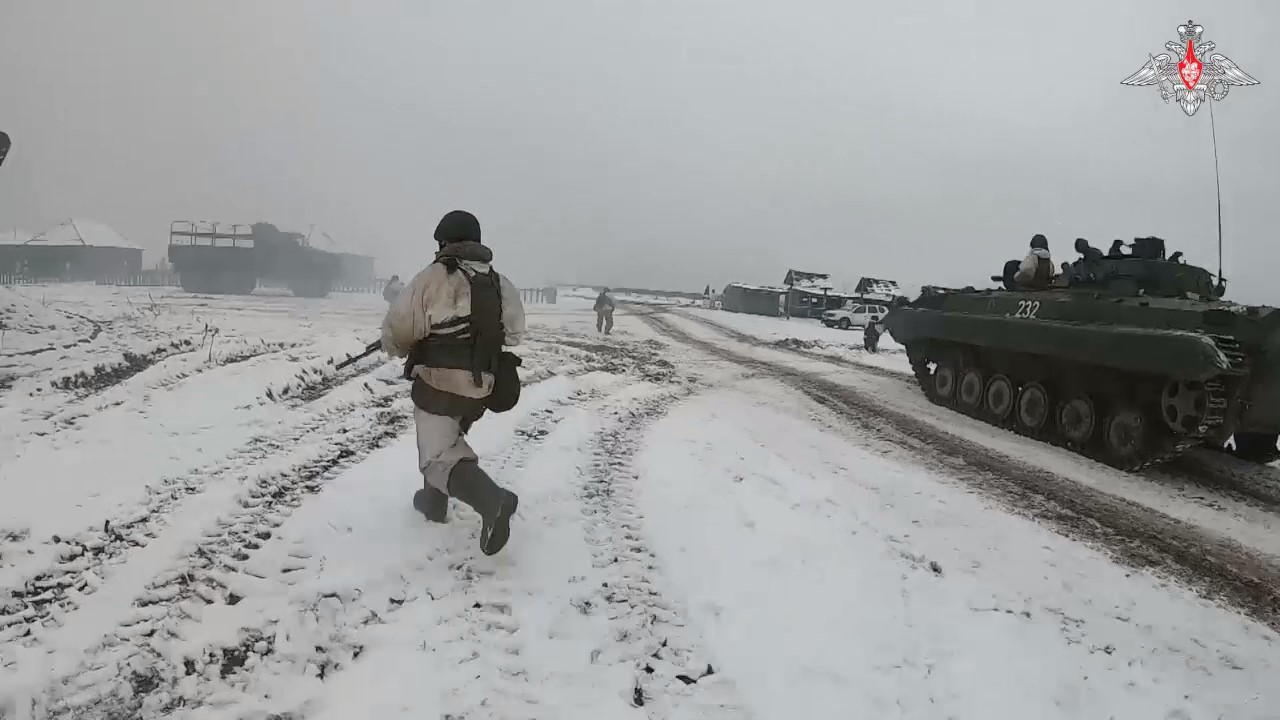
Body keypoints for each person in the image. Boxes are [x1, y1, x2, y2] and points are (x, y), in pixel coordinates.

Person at [380, 209, 525, 556]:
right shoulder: (499, 281)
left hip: (440, 382)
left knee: (438, 456)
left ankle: (494, 502)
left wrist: (397, 347)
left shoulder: (434, 277)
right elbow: (515, 334)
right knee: (446, 438)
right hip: (484, 387)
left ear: (445, 241)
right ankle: (433, 502)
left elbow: (399, 328)